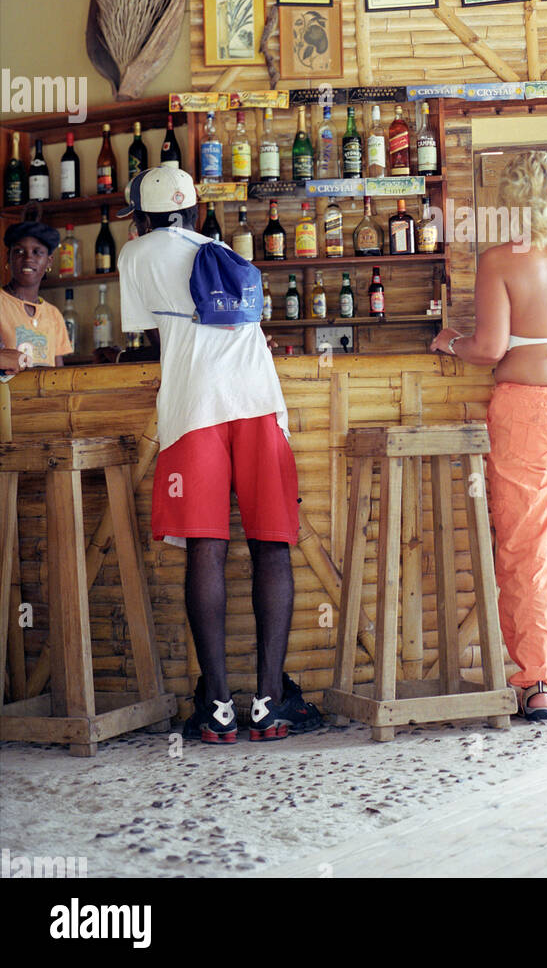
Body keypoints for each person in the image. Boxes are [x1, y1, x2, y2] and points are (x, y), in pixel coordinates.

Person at [117, 167, 320, 743]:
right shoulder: (218, 248)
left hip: (193, 409)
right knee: (271, 546)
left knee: (206, 547)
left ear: (142, 215)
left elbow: (146, 337)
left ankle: (219, 709)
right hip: (259, 402)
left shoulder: (137, 255)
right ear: (192, 208)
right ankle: (270, 703)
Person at [431, 152, 547, 722]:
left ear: (510, 203)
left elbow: (489, 348)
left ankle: (537, 681)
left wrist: (449, 342)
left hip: (529, 411)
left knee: (526, 547)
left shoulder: (500, 260)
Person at [0, 216, 72, 380]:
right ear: (8, 257)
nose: (28, 258)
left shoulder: (53, 315)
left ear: (49, 261)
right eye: (19, 251)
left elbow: (58, 375)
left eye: (37, 252)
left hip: (45, 403)